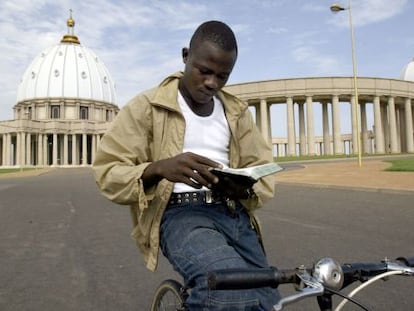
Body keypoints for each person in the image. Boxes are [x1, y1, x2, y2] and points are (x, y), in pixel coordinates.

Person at [93, 20, 280, 310]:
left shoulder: (237, 112)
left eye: (222, 76)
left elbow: (262, 168)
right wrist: (157, 169)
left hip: (232, 215)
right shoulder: (146, 107)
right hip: (180, 215)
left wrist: (240, 187)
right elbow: (107, 172)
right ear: (185, 56)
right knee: (226, 289)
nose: (212, 83)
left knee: (267, 299)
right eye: (204, 71)